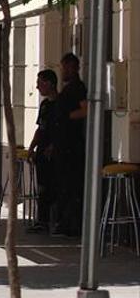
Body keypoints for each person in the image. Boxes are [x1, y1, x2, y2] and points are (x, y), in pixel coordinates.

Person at [53, 52, 88, 236]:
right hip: (64, 143)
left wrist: (67, 118)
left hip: (71, 146)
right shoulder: (68, 88)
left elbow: (85, 110)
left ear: (73, 68)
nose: (63, 71)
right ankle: (65, 222)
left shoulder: (78, 88)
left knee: (70, 185)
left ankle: (71, 225)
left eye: (65, 67)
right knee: (64, 184)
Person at [27, 69, 61, 233]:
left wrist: (54, 145)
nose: (37, 86)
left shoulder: (61, 104)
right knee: (41, 186)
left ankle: (55, 220)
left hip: (55, 153)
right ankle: (42, 220)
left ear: (49, 84)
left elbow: (63, 129)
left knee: (54, 185)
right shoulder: (45, 105)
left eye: (40, 83)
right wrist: (32, 146)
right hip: (42, 150)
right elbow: (40, 128)